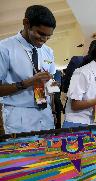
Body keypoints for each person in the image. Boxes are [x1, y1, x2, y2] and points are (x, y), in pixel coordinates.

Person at [0, 5, 56, 134]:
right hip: (20, 114)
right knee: (24, 153)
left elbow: (50, 81)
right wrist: (27, 83)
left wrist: (53, 85)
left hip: (45, 113)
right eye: (41, 34)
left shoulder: (48, 52)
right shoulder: (4, 49)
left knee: (48, 152)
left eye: (48, 36)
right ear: (26, 23)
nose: (44, 40)